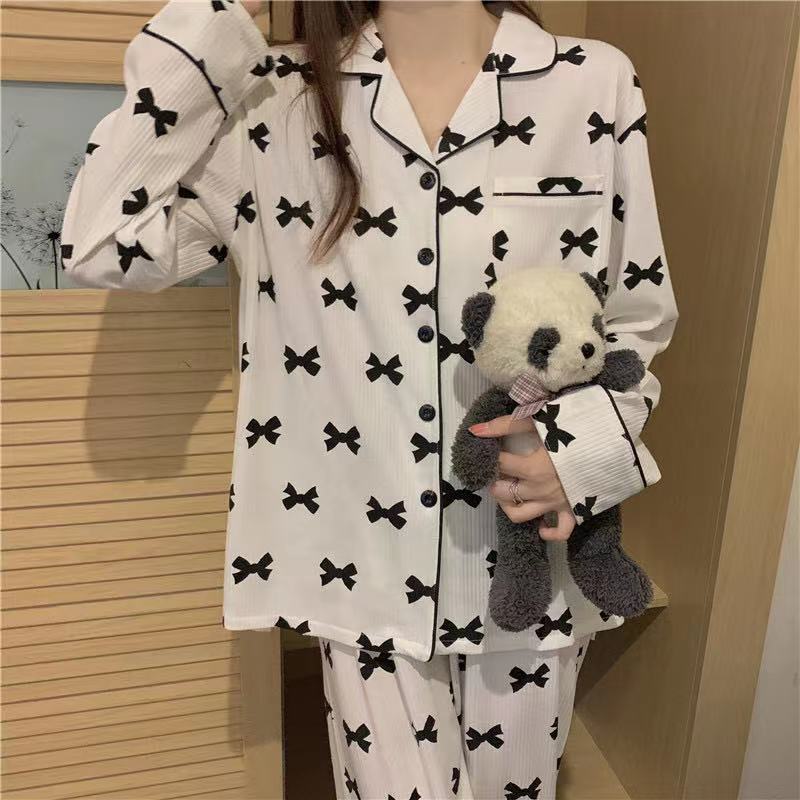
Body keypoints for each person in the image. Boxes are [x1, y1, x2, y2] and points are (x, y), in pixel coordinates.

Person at [60, 0, 679, 796]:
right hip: (358, 570)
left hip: (531, 564)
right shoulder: (272, 99)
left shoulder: (591, 82)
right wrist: (214, 24)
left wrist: (583, 455)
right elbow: (101, 243)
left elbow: (635, 313)